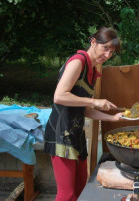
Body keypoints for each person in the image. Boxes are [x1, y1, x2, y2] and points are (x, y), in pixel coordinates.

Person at [44, 27, 123, 201]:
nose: (108, 55)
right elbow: (59, 96)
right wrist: (94, 101)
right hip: (61, 134)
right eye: (105, 48)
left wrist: (113, 118)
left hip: (77, 135)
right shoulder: (78, 61)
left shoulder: (93, 70)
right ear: (93, 42)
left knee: (81, 189)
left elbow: (85, 109)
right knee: (67, 194)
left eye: (112, 52)